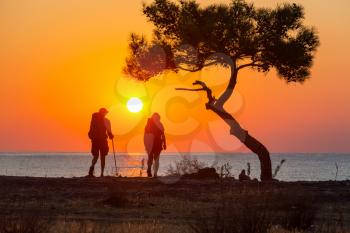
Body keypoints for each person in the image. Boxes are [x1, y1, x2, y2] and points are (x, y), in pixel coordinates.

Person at [88, 108, 114, 177]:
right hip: (103, 141)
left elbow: (91, 130)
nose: (106, 114)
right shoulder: (106, 121)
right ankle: (102, 173)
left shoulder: (94, 120)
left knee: (95, 156)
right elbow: (109, 132)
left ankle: (92, 167)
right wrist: (111, 136)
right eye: (106, 112)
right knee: (103, 157)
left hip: (95, 140)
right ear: (105, 113)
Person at [144, 113, 166, 177]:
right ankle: (149, 170)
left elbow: (163, 135)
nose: (157, 119)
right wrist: (146, 144)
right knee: (151, 158)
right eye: (156, 118)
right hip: (151, 144)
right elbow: (145, 135)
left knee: (156, 159)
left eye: (158, 118)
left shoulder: (160, 124)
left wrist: (165, 144)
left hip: (158, 144)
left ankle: (155, 173)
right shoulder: (149, 125)